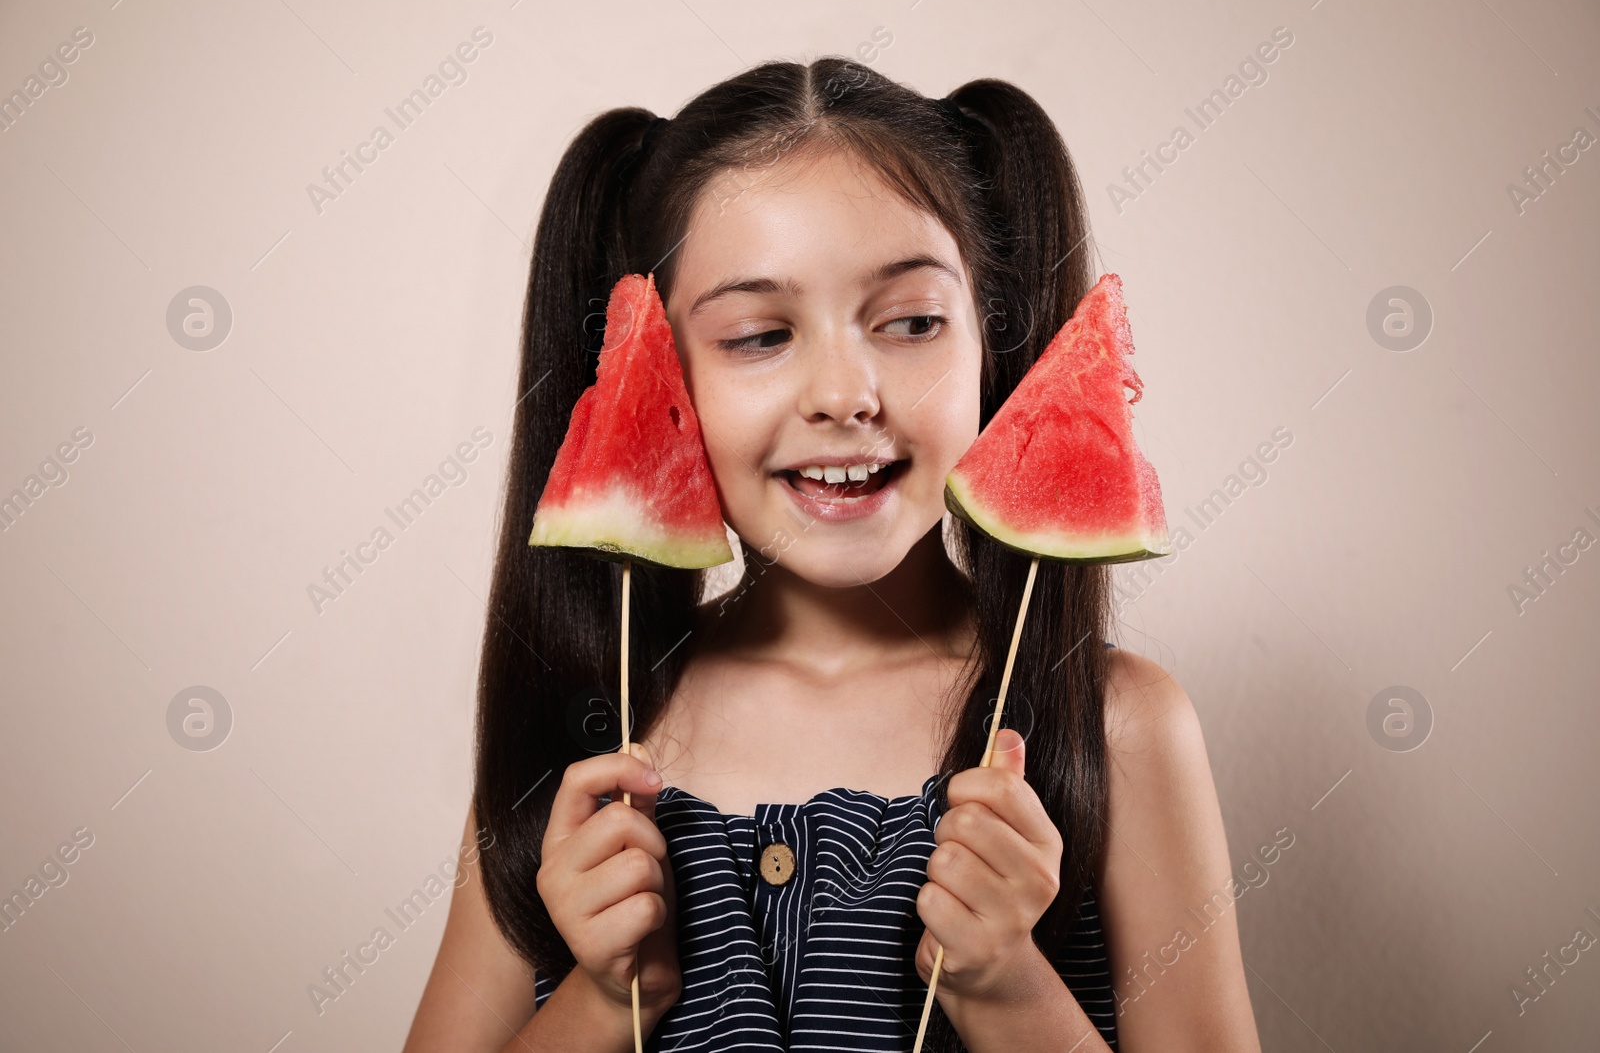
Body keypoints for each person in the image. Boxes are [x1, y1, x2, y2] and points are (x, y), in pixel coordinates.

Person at [403, 56, 1260, 1053]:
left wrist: (1009, 991)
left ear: (994, 341)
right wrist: (598, 996)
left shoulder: (1117, 728)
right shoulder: (587, 728)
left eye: (911, 322)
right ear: (653, 373)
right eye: (760, 334)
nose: (844, 391)